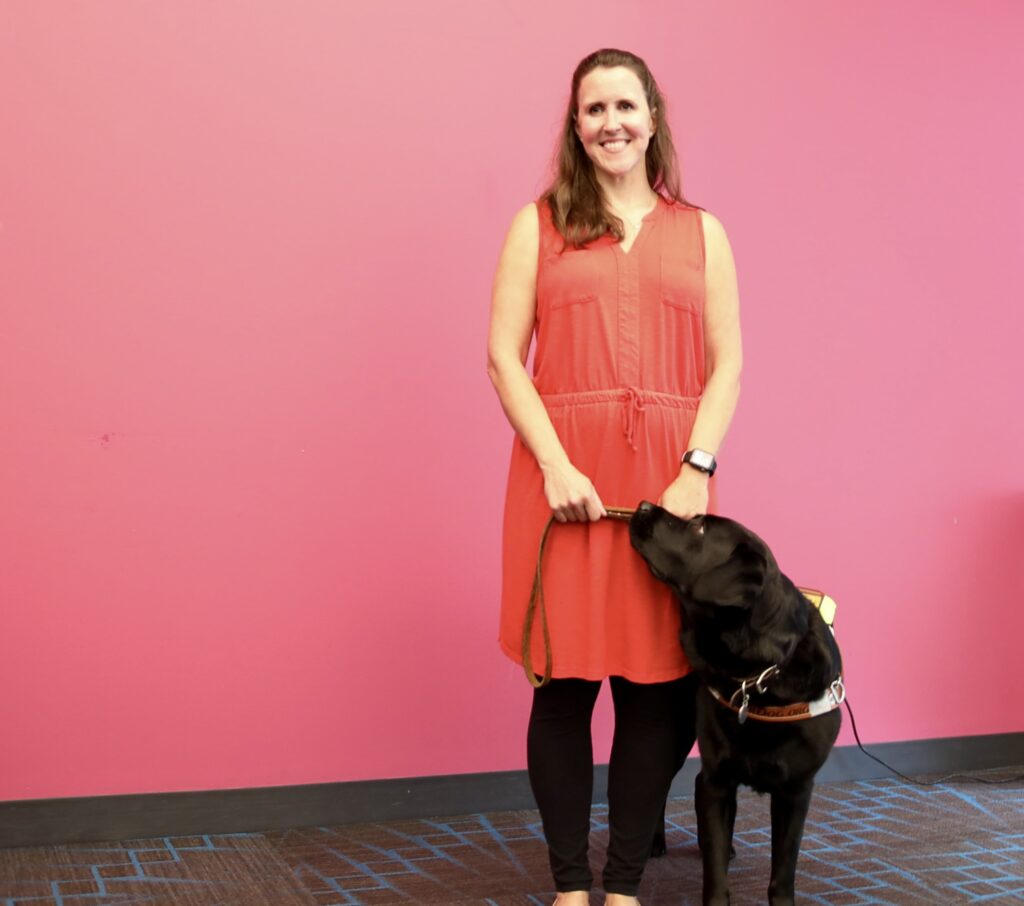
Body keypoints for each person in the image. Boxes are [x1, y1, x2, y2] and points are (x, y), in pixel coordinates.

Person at [486, 48, 742, 905]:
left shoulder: (703, 231)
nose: (611, 124)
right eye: (593, 110)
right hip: (565, 484)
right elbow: (503, 357)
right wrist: (555, 464)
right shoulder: (537, 223)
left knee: (656, 690)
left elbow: (727, 365)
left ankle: (624, 883)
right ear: (576, 124)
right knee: (563, 686)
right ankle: (568, 885)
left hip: (670, 489)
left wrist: (698, 469)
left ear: (654, 116)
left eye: (625, 106)